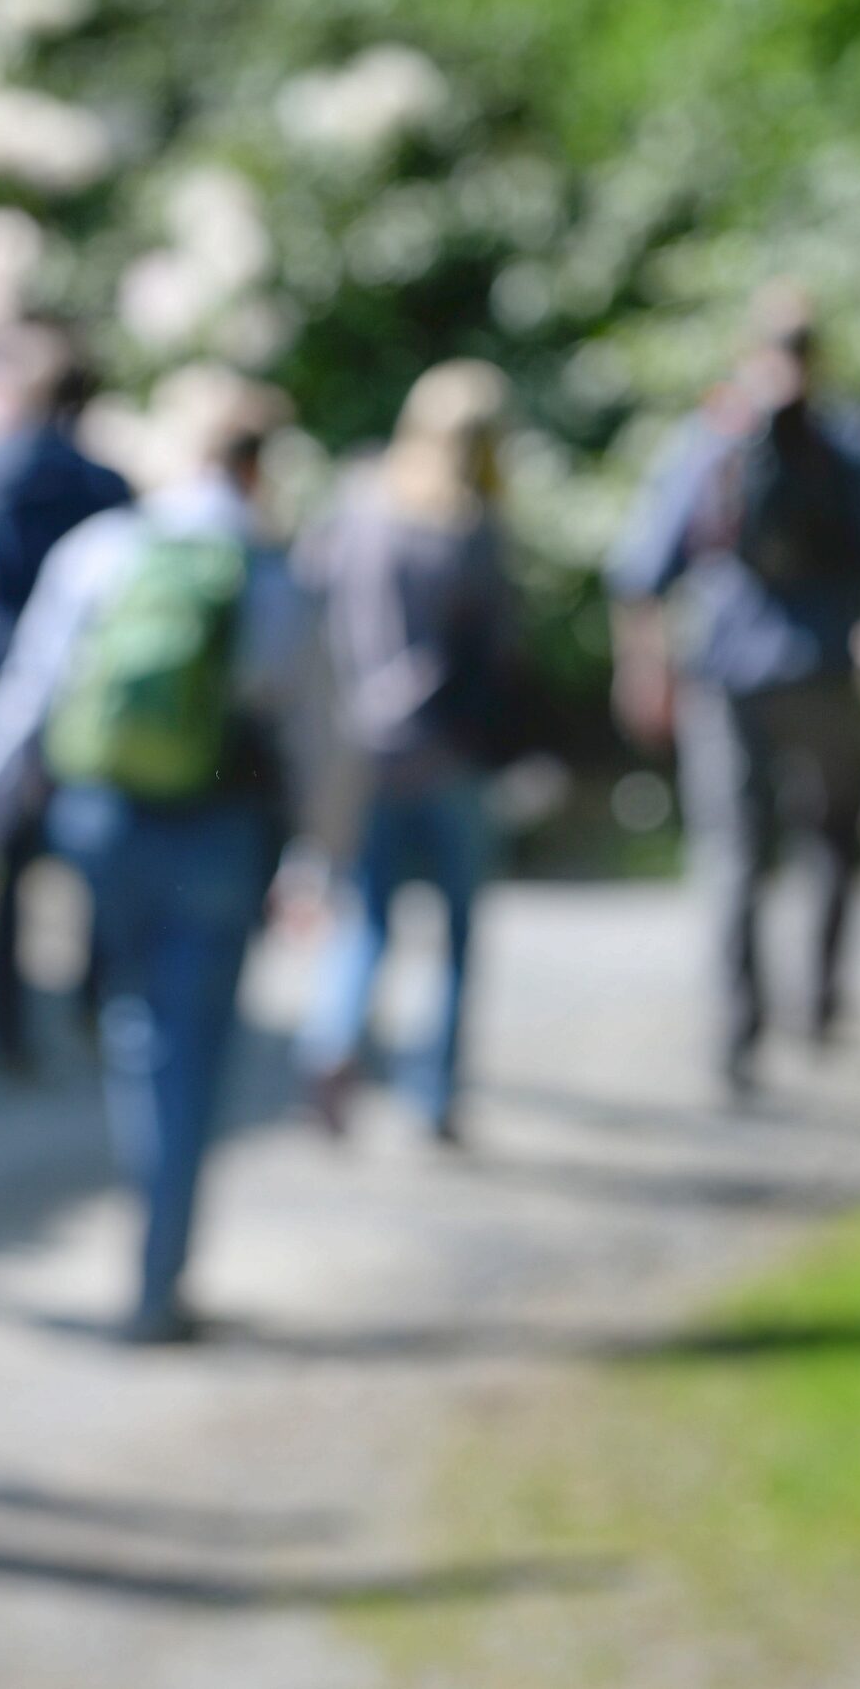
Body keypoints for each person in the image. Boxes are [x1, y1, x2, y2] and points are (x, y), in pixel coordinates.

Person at [0, 378, 301, 1344]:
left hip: (102, 823)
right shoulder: (265, 571)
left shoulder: (103, 551)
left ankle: (151, 1236)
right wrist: (322, 861)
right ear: (259, 466)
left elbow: (27, 693)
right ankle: (160, 1267)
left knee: (139, 1031)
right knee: (196, 1042)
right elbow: (303, 723)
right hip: (217, 830)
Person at [607, 286, 860, 1095]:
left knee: (733, 851)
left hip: (727, 671)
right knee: (834, 836)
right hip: (824, 666)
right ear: (819, 352)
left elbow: (642, 567)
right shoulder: (856, 438)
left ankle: (737, 1038)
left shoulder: (711, 439)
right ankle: (821, 1007)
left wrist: (643, 666)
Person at [295, 361, 522, 1146]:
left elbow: (309, 600)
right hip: (447, 754)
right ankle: (435, 1096)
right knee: (457, 935)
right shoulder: (473, 529)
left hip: (365, 745)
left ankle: (331, 1045)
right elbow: (497, 654)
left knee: (365, 917)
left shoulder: (360, 506)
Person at [0, 324, 133, 1068]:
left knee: (1, 865)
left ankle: (6, 1031)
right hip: (88, 702)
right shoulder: (108, 485)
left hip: (0, 694)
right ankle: (93, 1000)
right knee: (92, 854)